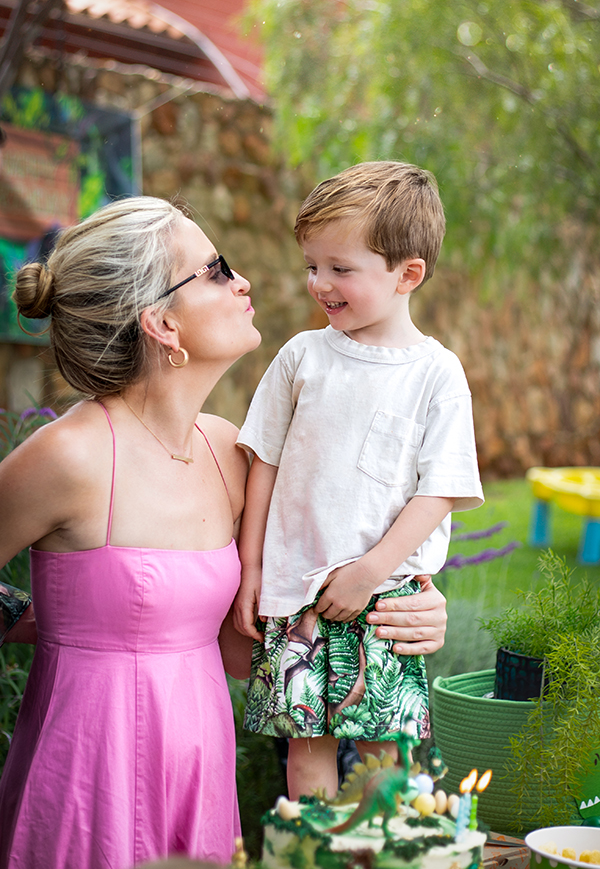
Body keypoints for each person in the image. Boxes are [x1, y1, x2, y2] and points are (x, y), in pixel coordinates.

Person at [0, 194, 448, 869]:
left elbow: (251, 648)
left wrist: (405, 609)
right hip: (88, 779)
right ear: (162, 323)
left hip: (201, 778)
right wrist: (34, 620)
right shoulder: (69, 457)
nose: (243, 282)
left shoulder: (228, 454)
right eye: (216, 270)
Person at [233, 162, 484, 799]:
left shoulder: (436, 374)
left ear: (407, 274)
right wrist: (252, 566)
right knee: (305, 751)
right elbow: (265, 463)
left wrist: (370, 571)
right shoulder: (301, 357)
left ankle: (380, 845)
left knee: (382, 755)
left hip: (388, 597)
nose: (320, 283)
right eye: (312, 265)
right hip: (297, 594)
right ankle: (313, 845)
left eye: (340, 268)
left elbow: (440, 489)